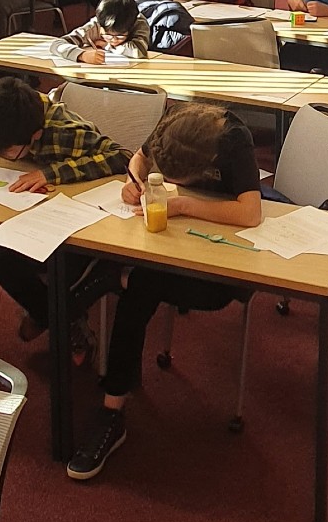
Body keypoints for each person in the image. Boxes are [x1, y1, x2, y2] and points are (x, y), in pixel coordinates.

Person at [71, 104, 265, 481]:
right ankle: (112, 410)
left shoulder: (231, 140)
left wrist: (181, 204)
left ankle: (112, 407)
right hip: (176, 244)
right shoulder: (173, 126)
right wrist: (135, 183)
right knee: (142, 286)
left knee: (141, 286)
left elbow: (250, 213)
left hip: (226, 264)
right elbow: (139, 160)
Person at [0, 78, 130, 342]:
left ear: (35, 136)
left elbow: (121, 157)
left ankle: (55, 314)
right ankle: (61, 317)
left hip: (76, 218)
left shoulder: (65, 131)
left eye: (7, 153)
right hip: (25, 213)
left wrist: (52, 173)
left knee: (63, 262)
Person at [51, 0, 149, 64]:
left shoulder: (138, 22)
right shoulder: (96, 25)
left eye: (120, 36)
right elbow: (57, 45)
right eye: (108, 35)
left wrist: (106, 45)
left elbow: (138, 51)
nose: (114, 40)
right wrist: (82, 55)